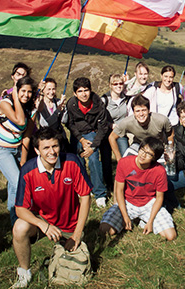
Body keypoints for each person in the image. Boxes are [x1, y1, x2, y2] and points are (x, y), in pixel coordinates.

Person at [11, 127, 91, 289]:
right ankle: (24, 272)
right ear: (36, 150)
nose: (52, 152)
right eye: (46, 148)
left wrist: (76, 235)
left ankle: (65, 246)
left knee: (79, 267)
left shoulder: (72, 161)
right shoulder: (28, 170)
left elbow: (85, 197)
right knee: (19, 227)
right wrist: (43, 225)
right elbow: (20, 209)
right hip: (44, 223)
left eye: (55, 146)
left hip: (70, 225)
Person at [98, 137, 177, 241]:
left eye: (149, 154)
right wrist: (124, 215)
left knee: (170, 236)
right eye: (142, 150)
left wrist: (150, 221)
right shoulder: (124, 163)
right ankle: (129, 220)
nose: (143, 155)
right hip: (128, 202)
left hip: (149, 204)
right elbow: (119, 191)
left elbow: (159, 198)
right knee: (105, 231)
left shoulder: (159, 171)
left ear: (155, 158)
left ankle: (144, 221)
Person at [0, 76, 36, 226]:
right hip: (1, 149)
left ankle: (14, 219)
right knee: (18, 183)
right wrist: (15, 96)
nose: (26, 95)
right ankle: (24, 217)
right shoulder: (5, 103)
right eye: (23, 91)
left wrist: (23, 159)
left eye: (29, 92)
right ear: (17, 90)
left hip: (17, 148)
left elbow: (27, 135)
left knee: (13, 185)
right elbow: (20, 121)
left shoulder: (31, 108)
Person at [65, 77, 113, 209]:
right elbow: (70, 123)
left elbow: (103, 127)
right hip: (77, 135)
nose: (84, 94)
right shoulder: (71, 104)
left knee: (93, 159)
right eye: (80, 91)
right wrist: (80, 139)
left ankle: (99, 193)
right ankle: (83, 188)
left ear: (90, 91)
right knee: (78, 160)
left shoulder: (98, 104)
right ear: (75, 93)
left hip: (93, 133)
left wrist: (93, 146)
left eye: (86, 90)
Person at [108, 94, 173, 160]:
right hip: (139, 144)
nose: (141, 114)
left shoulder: (161, 120)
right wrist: (119, 158)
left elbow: (170, 134)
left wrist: (170, 149)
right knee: (127, 162)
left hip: (157, 146)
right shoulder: (127, 122)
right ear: (133, 112)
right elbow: (112, 137)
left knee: (163, 167)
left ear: (149, 110)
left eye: (144, 110)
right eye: (137, 111)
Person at [101, 73, 131, 158]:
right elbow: (99, 118)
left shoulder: (125, 98)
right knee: (106, 159)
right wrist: (110, 124)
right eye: (115, 84)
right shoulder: (104, 100)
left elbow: (137, 88)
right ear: (110, 85)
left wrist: (128, 82)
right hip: (106, 132)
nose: (118, 86)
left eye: (121, 83)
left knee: (125, 155)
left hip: (121, 132)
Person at [33, 77, 68, 148]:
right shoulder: (40, 105)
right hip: (47, 138)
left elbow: (64, 121)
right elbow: (45, 124)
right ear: (43, 90)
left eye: (53, 89)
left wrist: (64, 109)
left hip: (60, 137)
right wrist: (58, 110)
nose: (51, 92)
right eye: (49, 89)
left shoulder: (58, 101)